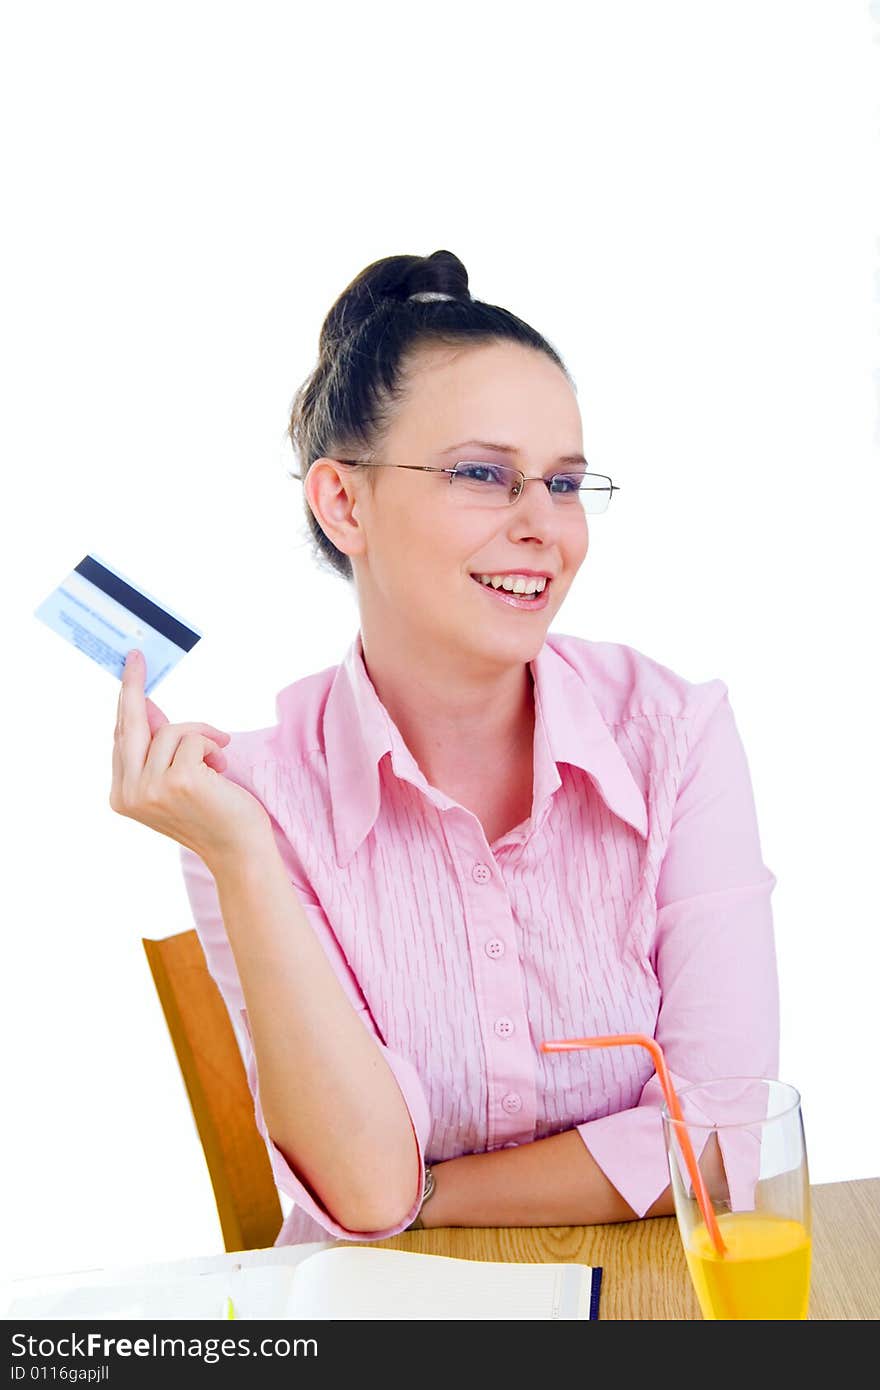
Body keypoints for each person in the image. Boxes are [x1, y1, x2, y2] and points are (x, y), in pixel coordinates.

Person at [110, 249, 779, 1248]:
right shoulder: (253, 804)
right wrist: (241, 856)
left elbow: (724, 1138)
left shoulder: (674, 736)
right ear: (342, 503)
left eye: (562, 483)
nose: (542, 527)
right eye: (483, 474)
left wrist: (437, 1190)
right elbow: (363, 1189)